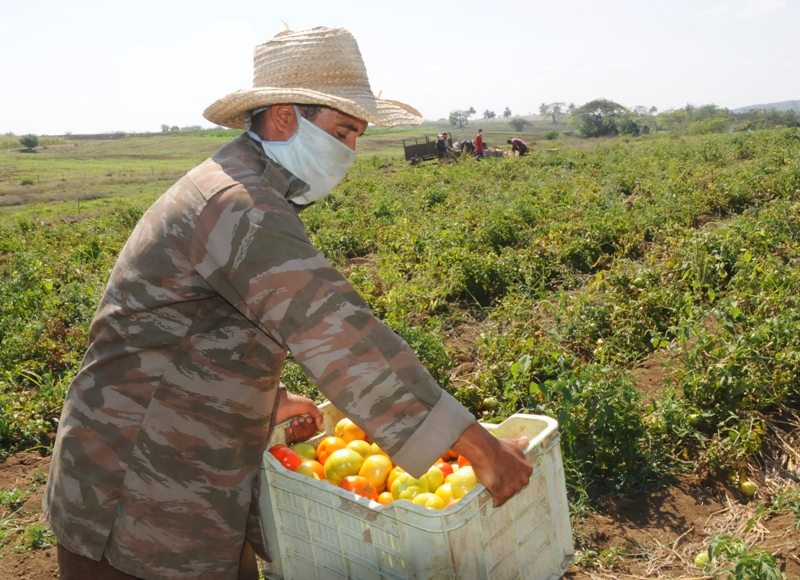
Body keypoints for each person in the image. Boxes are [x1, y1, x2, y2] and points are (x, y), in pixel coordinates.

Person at [43, 27, 533, 580]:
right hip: (135, 489)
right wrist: (477, 446)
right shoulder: (240, 203)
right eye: (343, 131)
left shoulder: (247, 186)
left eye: (357, 136)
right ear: (283, 117)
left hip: (182, 474)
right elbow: (341, 334)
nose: (350, 152)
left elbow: (190, 328)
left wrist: (267, 398)